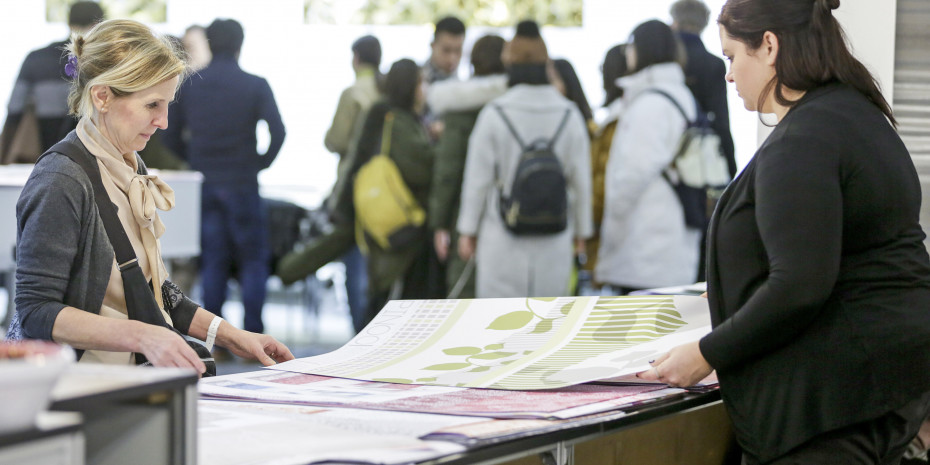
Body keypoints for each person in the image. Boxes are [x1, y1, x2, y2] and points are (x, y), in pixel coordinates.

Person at [638, 1, 930, 463]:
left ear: (769, 46)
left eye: (732, 57)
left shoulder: (804, 140)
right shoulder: (857, 115)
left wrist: (706, 351)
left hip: (831, 407)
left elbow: (800, 282)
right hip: (876, 392)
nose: (729, 76)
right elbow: (838, 252)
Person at [6, 19, 293, 372]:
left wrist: (233, 335)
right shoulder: (61, 179)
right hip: (79, 387)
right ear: (102, 96)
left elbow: (152, 292)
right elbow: (37, 311)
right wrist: (142, 336)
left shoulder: (130, 165)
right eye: (152, 104)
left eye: (168, 104)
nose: (165, 121)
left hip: (128, 379)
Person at [163, 18, 286, 335]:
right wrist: (260, 163)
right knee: (253, 261)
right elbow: (278, 131)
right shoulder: (255, 84)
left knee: (213, 261)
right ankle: (254, 333)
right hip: (243, 182)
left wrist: (192, 160)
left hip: (206, 183)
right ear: (240, 44)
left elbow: (168, 133)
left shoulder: (189, 85)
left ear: (209, 44)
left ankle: (215, 337)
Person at [457, 21, 592, 298]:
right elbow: (581, 180)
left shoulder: (495, 113)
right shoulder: (569, 113)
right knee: (549, 325)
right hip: (554, 236)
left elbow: (477, 180)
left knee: (498, 327)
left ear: (510, 64)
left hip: (503, 237)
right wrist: (582, 233)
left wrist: (468, 231)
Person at [594, 20, 702, 294]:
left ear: (641, 49)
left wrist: (610, 237)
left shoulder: (649, 104)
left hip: (645, 245)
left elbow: (630, 176)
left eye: (631, 45)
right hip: (671, 235)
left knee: (637, 330)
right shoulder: (680, 94)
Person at [350, 59, 434, 326]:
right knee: (390, 297)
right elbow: (420, 169)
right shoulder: (401, 121)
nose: (425, 89)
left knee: (381, 291)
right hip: (403, 221)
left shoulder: (391, 116)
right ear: (410, 86)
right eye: (421, 82)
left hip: (383, 219)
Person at [428, 34, 506, 299]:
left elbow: (447, 172)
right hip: (511, 215)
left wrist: (439, 224)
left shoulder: (460, 107)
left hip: (463, 216)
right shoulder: (512, 104)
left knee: (464, 298)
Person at [670, 0, 737, 282]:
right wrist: (731, 168)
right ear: (705, 23)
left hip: (668, 159)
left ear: (674, 20)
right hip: (701, 163)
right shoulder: (712, 64)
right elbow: (721, 121)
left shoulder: (668, 63)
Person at [322, 34, 381, 332]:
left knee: (355, 265)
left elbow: (335, 140)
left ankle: (360, 334)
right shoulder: (387, 91)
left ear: (356, 58)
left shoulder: (353, 93)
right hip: (387, 191)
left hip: (355, 188)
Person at [1, 1, 104, 163]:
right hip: (92, 150)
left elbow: (15, 107)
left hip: (41, 149)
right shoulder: (107, 62)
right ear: (100, 26)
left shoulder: (36, 58)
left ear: (69, 23)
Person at [585, 44, 627, 284]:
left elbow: (602, 174)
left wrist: (590, 217)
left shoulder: (617, 118)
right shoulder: (616, 114)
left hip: (608, 225)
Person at [422, 16, 466, 85]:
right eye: (446, 50)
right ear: (433, 46)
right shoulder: (417, 83)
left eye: (457, 50)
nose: (452, 58)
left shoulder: (463, 82)